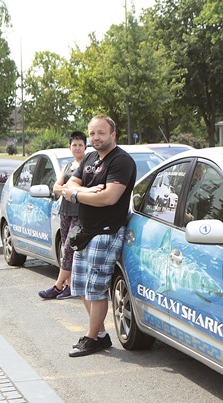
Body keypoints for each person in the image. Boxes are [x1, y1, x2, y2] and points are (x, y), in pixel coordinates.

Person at [62, 114, 136, 357]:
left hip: (106, 233)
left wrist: (76, 194)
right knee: (81, 285)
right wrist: (86, 190)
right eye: (92, 133)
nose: (96, 138)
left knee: (96, 289)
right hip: (85, 231)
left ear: (113, 134)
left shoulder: (121, 161)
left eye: (101, 133)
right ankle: (101, 335)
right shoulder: (91, 157)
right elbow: (67, 185)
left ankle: (91, 338)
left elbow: (109, 198)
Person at [38, 131, 87, 300]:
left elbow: (77, 188)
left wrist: (67, 188)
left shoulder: (87, 166)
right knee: (66, 250)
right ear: (70, 147)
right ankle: (69, 286)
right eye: (74, 144)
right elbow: (56, 188)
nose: (77, 147)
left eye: (80, 144)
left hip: (79, 213)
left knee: (68, 249)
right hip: (65, 211)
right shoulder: (67, 166)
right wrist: (68, 188)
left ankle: (57, 287)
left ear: (85, 146)